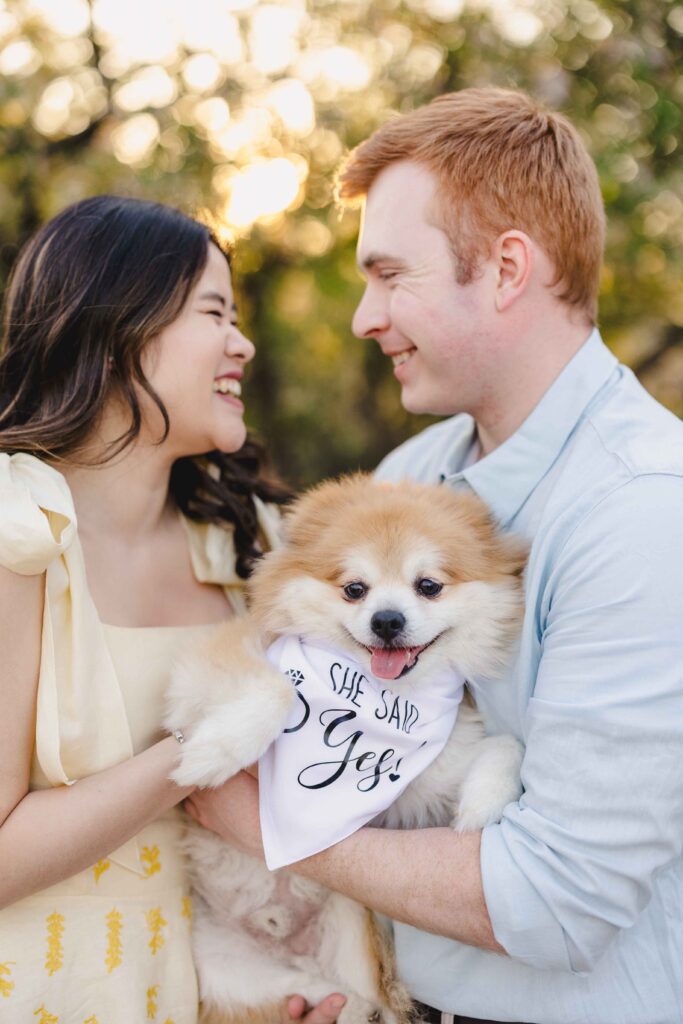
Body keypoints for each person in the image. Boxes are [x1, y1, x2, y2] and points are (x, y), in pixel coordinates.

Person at [186, 88, 683, 1024]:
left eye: (389, 275)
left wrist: (266, 828)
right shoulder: (416, 472)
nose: (362, 318)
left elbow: (556, 897)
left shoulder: (642, 511)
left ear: (503, 269)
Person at [0, 195, 344, 1024]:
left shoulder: (247, 540)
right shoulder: (17, 525)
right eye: (214, 312)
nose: (243, 343)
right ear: (120, 330)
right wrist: (201, 752)